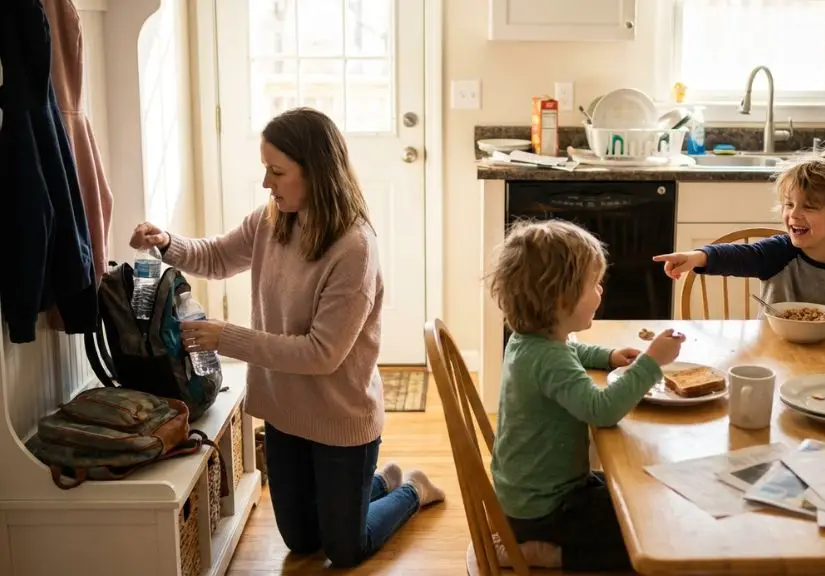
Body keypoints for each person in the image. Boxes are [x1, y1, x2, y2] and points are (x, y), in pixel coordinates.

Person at [128, 107, 444, 568]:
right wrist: (166, 242)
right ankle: (375, 484)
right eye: (266, 169)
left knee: (344, 550)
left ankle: (411, 487)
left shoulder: (354, 248)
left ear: (316, 173)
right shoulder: (272, 218)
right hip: (285, 411)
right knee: (300, 541)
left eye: (277, 172)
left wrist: (224, 337)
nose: (266, 183)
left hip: (340, 418)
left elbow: (322, 354)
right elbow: (216, 257)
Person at [486, 219, 685, 571]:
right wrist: (652, 361)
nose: (601, 292)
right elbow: (602, 409)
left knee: (636, 494)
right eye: (594, 284)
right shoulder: (547, 357)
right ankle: (546, 554)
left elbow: (571, 351)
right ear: (562, 299)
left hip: (530, 495)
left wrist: (606, 357)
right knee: (644, 535)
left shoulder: (531, 340)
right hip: (546, 509)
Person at [653, 150, 825, 312]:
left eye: (809, 206)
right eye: (789, 204)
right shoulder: (779, 253)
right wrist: (697, 257)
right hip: (772, 357)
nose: (794, 214)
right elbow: (739, 256)